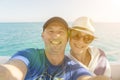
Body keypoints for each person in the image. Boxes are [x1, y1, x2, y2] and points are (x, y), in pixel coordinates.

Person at [0, 16, 110, 80]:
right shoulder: (29, 55)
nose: (56, 36)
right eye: (50, 31)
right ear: (42, 35)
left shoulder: (74, 67)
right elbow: (13, 70)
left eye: (61, 32)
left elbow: (85, 77)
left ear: (67, 37)